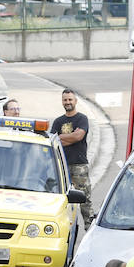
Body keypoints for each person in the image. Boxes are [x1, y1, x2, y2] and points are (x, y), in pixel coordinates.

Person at [50, 89, 93, 229]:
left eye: (70, 99)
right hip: (61, 166)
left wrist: (61, 137)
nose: (67, 102)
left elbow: (78, 136)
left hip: (79, 165)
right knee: (60, 199)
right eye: (65, 100)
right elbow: (52, 141)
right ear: (62, 102)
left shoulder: (82, 119)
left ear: (75, 101)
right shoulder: (58, 121)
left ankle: (90, 229)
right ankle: (61, 228)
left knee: (85, 200)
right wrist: (71, 138)